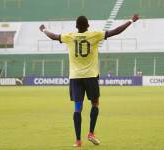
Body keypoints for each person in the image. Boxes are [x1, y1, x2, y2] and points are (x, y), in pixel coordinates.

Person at [39, 14, 139, 147]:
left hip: (75, 77)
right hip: (91, 76)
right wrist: (131, 20)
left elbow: (53, 36)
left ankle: (78, 141)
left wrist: (44, 29)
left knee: (77, 108)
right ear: (88, 26)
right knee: (95, 104)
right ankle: (91, 133)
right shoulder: (94, 35)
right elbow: (115, 31)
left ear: (76, 27)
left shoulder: (69, 36)